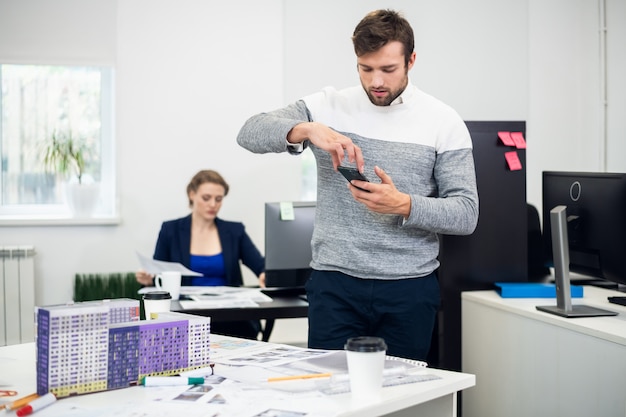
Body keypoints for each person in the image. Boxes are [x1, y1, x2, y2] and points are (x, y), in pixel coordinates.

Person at [237, 9, 478, 360]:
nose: (376, 81)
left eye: (388, 69)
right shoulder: (326, 106)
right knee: (332, 399)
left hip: (408, 288)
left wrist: (403, 204)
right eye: (366, 69)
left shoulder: (443, 121)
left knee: (403, 399)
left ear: (411, 60)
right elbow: (249, 132)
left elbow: (466, 213)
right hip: (335, 286)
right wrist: (306, 129)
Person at [136, 169, 266, 340]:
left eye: (218, 199)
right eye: (206, 198)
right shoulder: (171, 231)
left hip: (230, 317)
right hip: (186, 315)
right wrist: (149, 278)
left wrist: (265, 274)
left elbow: (260, 266)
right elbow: (160, 272)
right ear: (192, 195)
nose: (213, 204)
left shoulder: (234, 231)